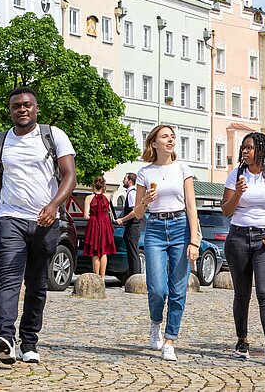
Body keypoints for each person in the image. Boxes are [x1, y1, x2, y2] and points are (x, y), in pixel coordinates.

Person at [0, 87, 76, 365]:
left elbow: (69, 176)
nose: (21, 110)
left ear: (36, 108)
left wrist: (53, 206)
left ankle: (29, 340)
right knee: (9, 280)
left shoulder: (53, 135)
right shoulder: (0, 142)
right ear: (10, 110)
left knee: (37, 284)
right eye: (16, 106)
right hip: (9, 219)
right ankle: (5, 338)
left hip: (45, 222)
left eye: (26, 105)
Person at [117, 125, 200, 362]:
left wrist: (194, 241)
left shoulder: (183, 169)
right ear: (154, 143)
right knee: (156, 289)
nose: (170, 139)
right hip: (154, 228)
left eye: (172, 136)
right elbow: (139, 213)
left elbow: (192, 207)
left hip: (180, 226)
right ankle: (156, 323)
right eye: (165, 136)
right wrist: (144, 200)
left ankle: (170, 340)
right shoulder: (145, 172)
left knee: (177, 290)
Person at [220, 132, 265, 364]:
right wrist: (238, 193)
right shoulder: (236, 175)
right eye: (243, 148)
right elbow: (226, 211)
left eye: (249, 148)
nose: (244, 152)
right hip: (238, 238)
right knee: (242, 294)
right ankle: (242, 340)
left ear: (261, 150)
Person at [83, 176, 116, 280]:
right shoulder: (108, 196)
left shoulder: (88, 198)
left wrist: (91, 214)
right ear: (103, 186)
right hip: (105, 223)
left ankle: (96, 277)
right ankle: (102, 278)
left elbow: (85, 216)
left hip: (93, 223)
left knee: (95, 251)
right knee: (104, 251)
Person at [120, 173, 143, 277]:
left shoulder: (132, 193)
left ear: (130, 181)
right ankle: (133, 276)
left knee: (133, 253)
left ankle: (135, 277)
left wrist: (123, 219)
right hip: (131, 226)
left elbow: (135, 211)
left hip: (133, 226)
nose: (123, 181)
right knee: (131, 252)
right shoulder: (131, 193)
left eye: (125, 178)